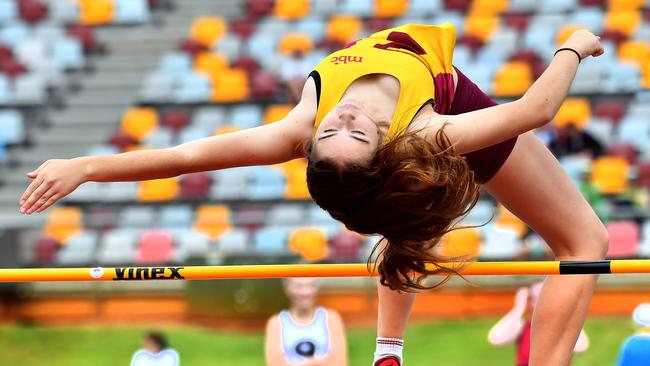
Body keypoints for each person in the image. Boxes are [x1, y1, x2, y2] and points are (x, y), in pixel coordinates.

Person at [18, 23, 605, 366]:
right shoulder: (425, 132)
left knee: (407, 215)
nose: (344, 115)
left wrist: (86, 166)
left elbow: (185, 156)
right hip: (456, 106)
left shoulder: (300, 126)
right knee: (586, 241)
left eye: (335, 129)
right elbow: (538, 108)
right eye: (354, 130)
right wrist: (574, 46)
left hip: (411, 150)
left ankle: (387, 350)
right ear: (382, 145)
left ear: (312, 141)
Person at [488, 282, 589, 366]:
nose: (542, 304)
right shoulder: (523, 327)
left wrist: (567, 311)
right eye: (537, 298)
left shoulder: (562, 329)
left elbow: (581, 347)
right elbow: (495, 339)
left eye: (547, 298)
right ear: (530, 301)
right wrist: (518, 309)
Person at [265, 277, 347, 365]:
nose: (305, 292)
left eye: (310, 285)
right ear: (287, 288)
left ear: (317, 288)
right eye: (298, 286)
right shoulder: (276, 323)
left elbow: (340, 363)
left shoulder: (331, 319)